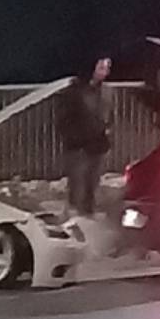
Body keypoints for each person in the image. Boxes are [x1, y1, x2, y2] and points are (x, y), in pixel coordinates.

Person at [58, 57, 113, 216]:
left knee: (92, 182)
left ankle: (88, 212)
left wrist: (107, 129)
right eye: (102, 67)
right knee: (77, 183)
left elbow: (108, 115)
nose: (106, 72)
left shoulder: (106, 91)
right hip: (78, 146)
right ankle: (75, 215)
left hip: (98, 144)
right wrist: (75, 137)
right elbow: (64, 118)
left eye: (107, 68)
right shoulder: (74, 91)